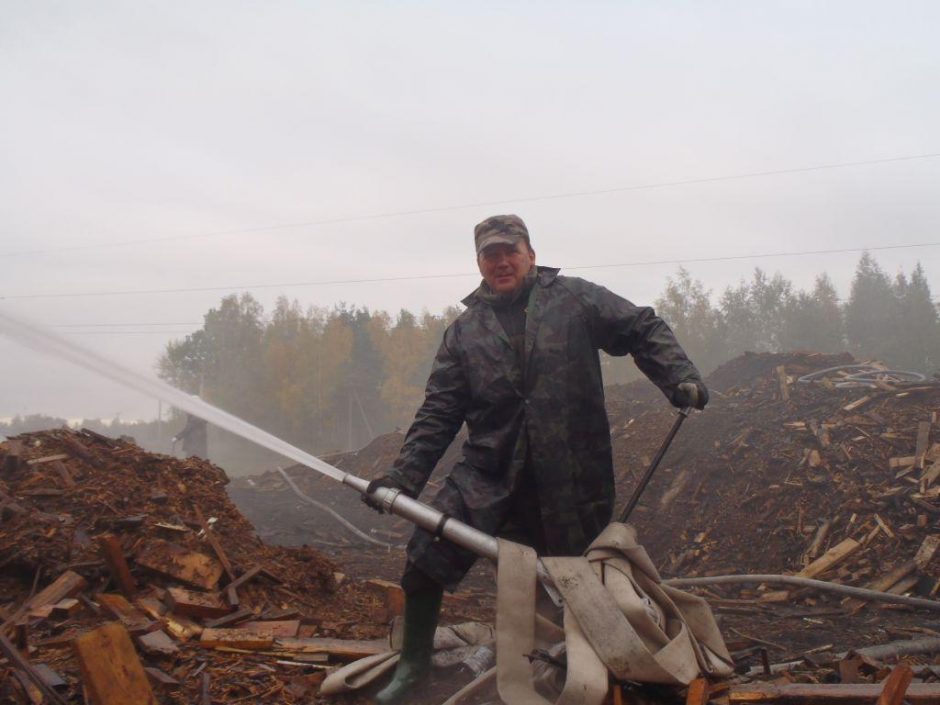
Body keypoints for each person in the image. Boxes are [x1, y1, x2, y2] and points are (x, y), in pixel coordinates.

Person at [363, 214, 708, 703]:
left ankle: (609, 668)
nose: (501, 262)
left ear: (530, 253)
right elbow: (439, 412)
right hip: (490, 471)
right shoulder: (464, 333)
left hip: (572, 472)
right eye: (490, 255)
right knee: (426, 554)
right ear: (479, 263)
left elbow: (641, 326)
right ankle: (414, 666)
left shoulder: (575, 300)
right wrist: (403, 479)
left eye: (510, 251)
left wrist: (678, 380)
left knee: (579, 580)